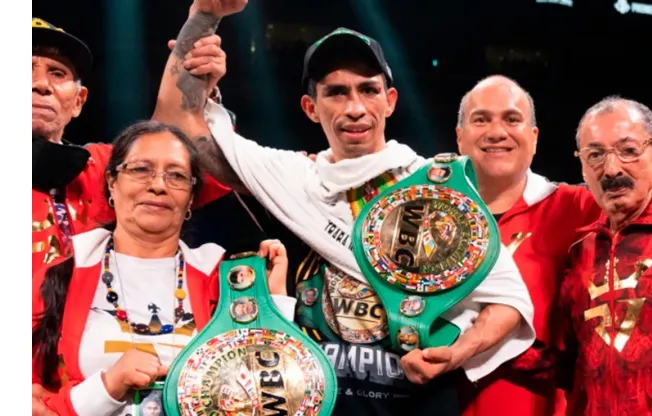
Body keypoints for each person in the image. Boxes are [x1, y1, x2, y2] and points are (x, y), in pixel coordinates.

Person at [153, 1, 536, 414]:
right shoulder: (294, 178)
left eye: (368, 90)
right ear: (311, 108)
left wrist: (458, 352)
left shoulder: (434, 186)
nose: (355, 108)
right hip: (319, 400)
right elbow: (178, 132)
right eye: (336, 92)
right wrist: (203, 17)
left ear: (389, 100)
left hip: (421, 402)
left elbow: (509, 301)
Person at [31, 120, 296, 416]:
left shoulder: (227, 282)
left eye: (177, 176)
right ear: (111, 183)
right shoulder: (57, 278)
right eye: (141, 170)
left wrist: (274, 308)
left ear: (191, 198)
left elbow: (277, 401)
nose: (157, 185)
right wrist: (106, 388)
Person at [31, 17, 230, 275]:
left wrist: (201, 95)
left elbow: (196, 164)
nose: (41, 84)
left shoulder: (101, 168)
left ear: (79, 101)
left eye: (57, 73)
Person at [456, 76, 601, 416]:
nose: (496, 131)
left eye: (511, 119)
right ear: (460, 136)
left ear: (533, 138)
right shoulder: (426, 210)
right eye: (481, 119)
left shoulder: (578, 207)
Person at [557, 96, 652, 415]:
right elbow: (569, 366)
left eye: (628, 150)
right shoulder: (578, 253)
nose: (611, 169)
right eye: (595, 155)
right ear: (581, 165)